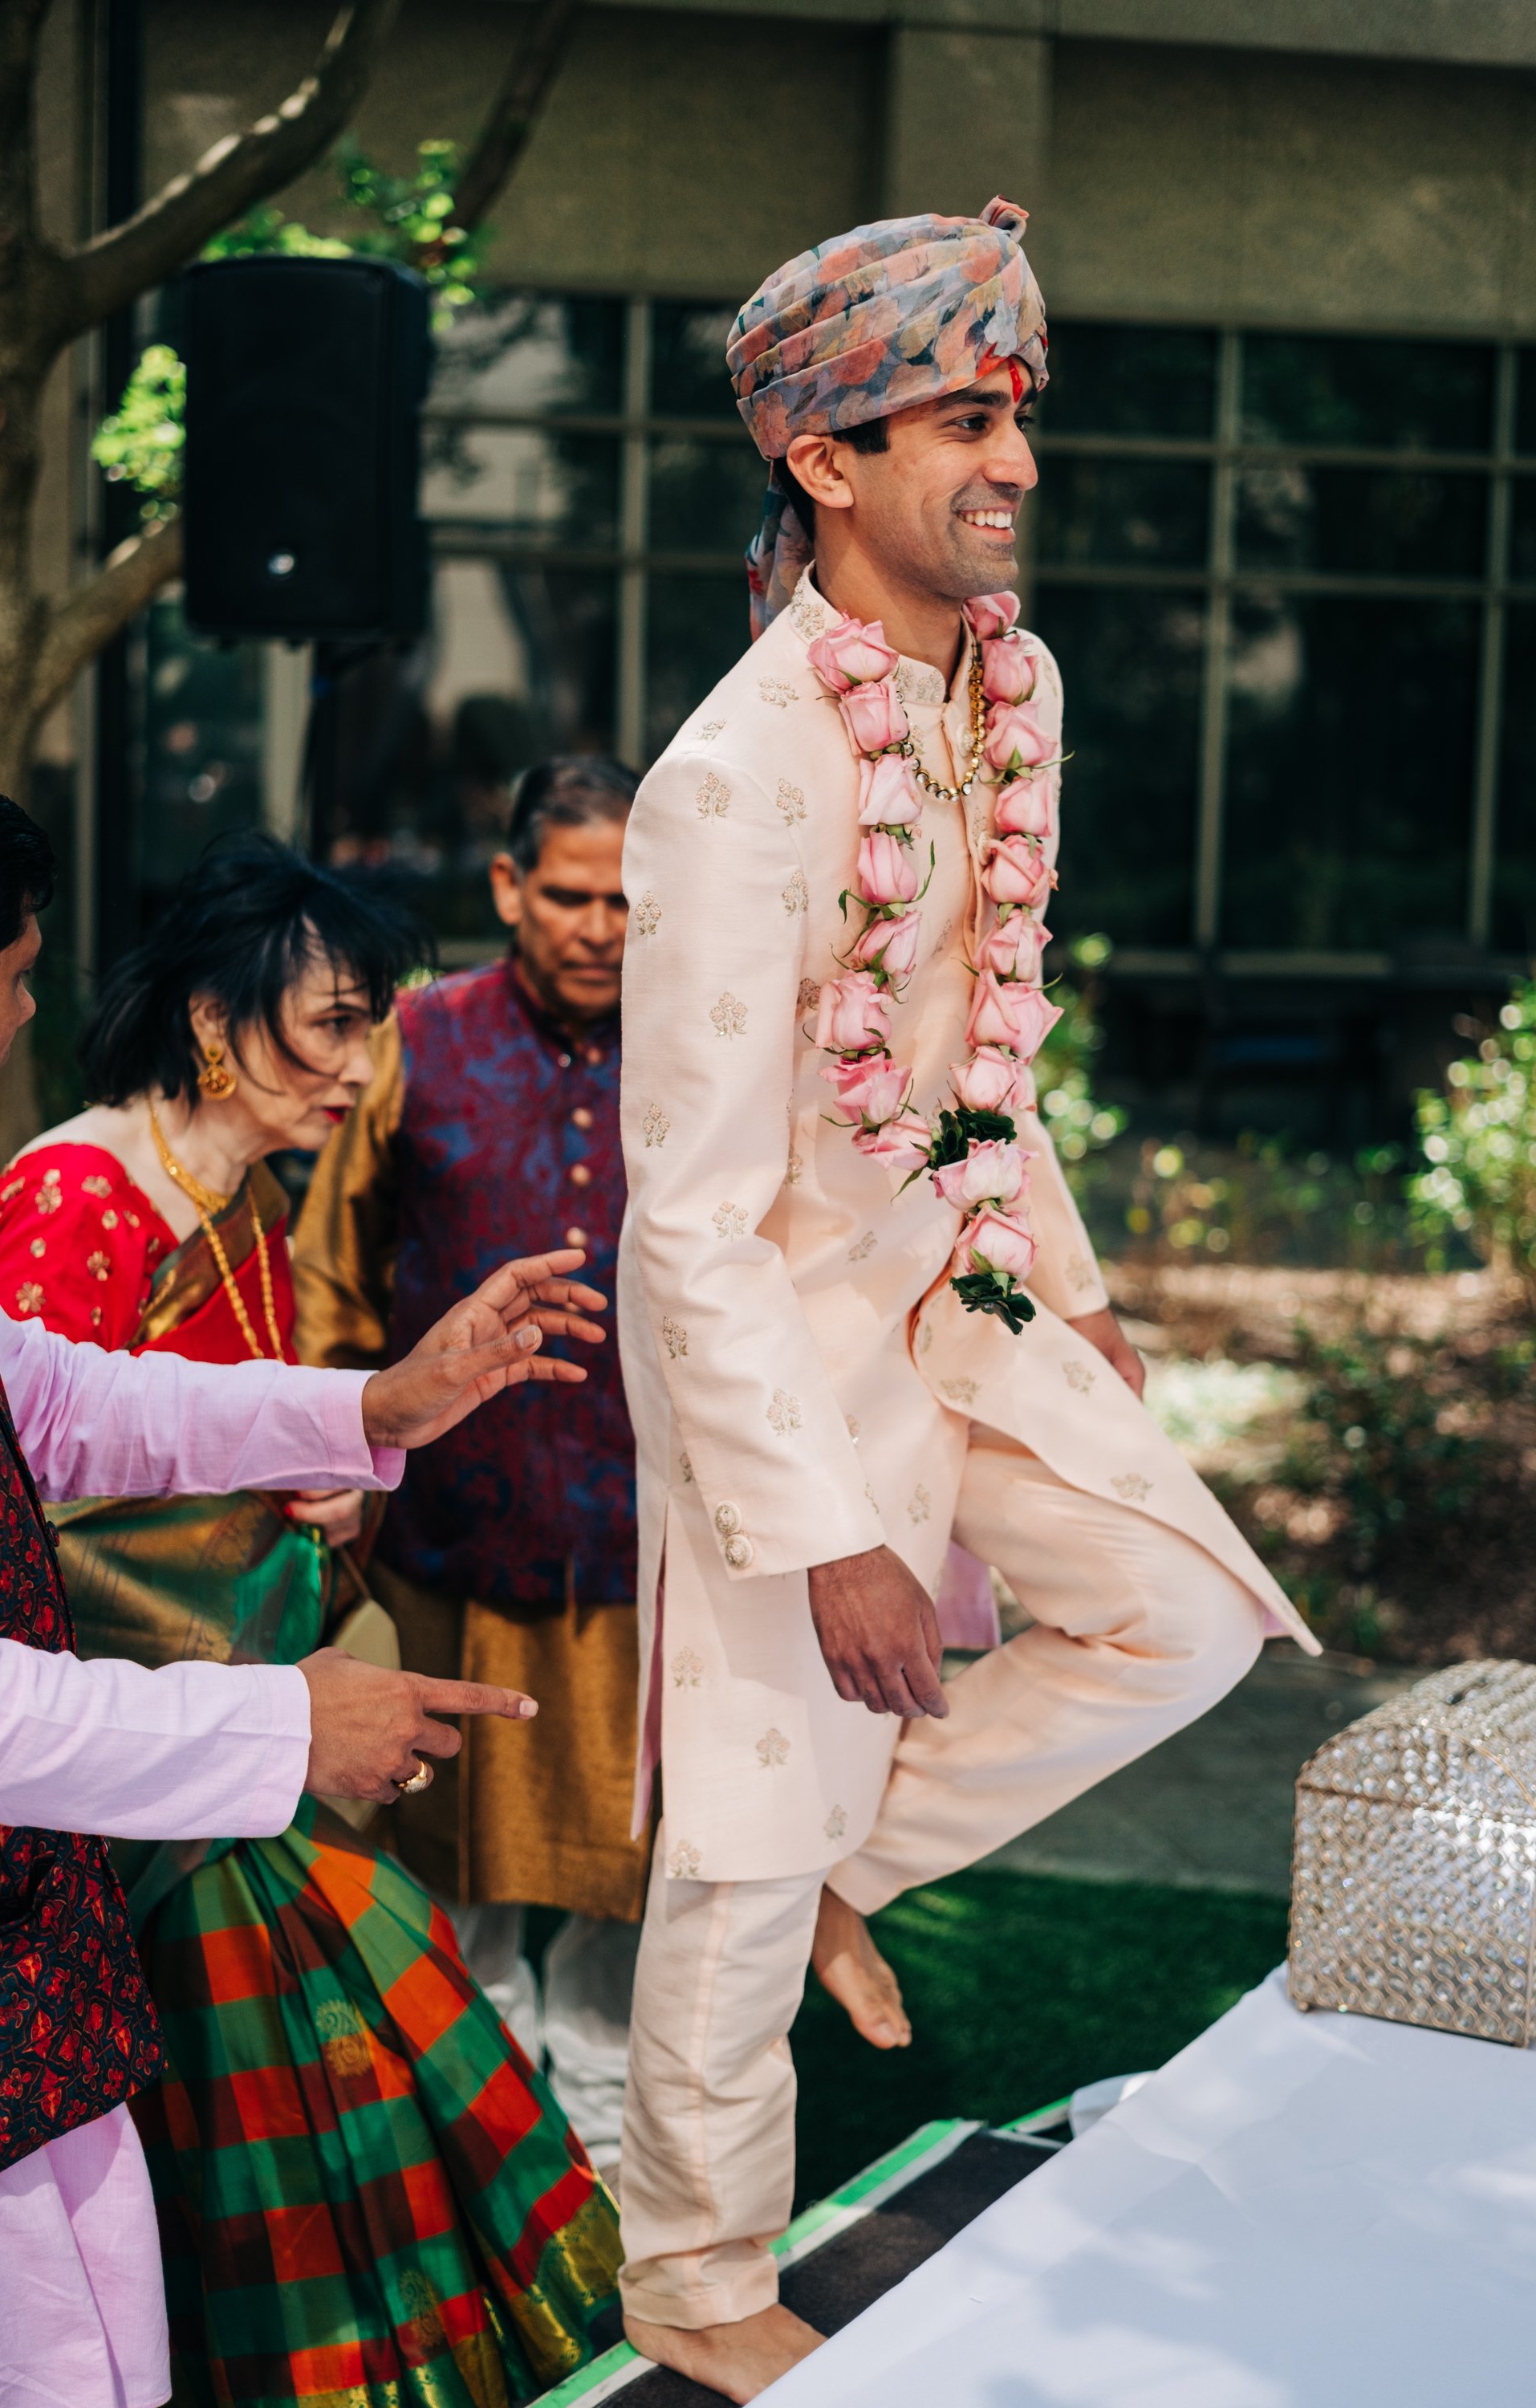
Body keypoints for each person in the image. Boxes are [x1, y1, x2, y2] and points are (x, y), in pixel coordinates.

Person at [614, 196, 1319, 2398]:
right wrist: (821, 1531)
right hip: (772, 1350)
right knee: (737, 1845)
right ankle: (694, 2277)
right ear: (825, 460)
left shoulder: (1014, 688)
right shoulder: (732, 784)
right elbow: (687, 1215)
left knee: (1186, 1618)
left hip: (972, 1284)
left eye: (1018, 413)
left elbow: (985, 1035)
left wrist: (1073, 1286)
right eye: (955, 417)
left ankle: (864, 1862)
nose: (1010, 459)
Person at [0, 775, 615, 2408]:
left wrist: (373, 1406)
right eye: (18, 977)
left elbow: (57, 1400)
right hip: (60, 1850)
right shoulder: (69, 1191)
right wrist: (283, 1722)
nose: (35, 1017)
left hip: (77, 1844)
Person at [295, 759, 644, 2171]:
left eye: (630, 897)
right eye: (570, 892)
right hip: (450, 1544)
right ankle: (494, 2190)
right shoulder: (419, 1043)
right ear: (509, 887)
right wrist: (338, 1478)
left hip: (647, 1559)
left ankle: (618, 2184)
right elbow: (330, 1278)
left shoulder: (706, 1049)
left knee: (633, 1903)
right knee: (461, 1902)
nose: (602, 925)